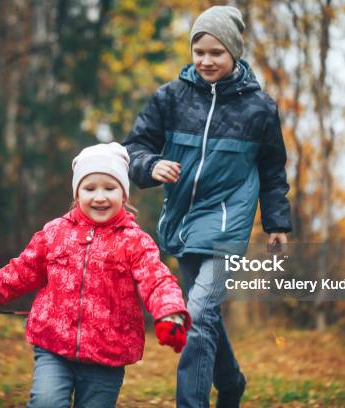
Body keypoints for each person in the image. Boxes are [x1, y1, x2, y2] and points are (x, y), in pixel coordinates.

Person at [122, 6, 292, 408]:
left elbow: (272, 170)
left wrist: (277, 224)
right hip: (181, 222)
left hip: (227, 226)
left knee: (194, 316)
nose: (206, 60)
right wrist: (150, 165)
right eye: (199, 51)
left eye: (216, 52)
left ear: (234, 52)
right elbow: (134, 148)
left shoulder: (259, 108)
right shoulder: (170, 98)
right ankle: (231, 384)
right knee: (204, 318)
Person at [0, 142, 191, 408]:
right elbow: (22, 270)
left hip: (108, 353)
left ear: (124, 195)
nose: (100, 197)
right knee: (46, 402)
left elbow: (156, 279)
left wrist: (170, 314)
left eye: (110, 188)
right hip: (53, 344)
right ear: (77, 193)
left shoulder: (134, 241)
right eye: (90, 188)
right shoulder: (54, 233)